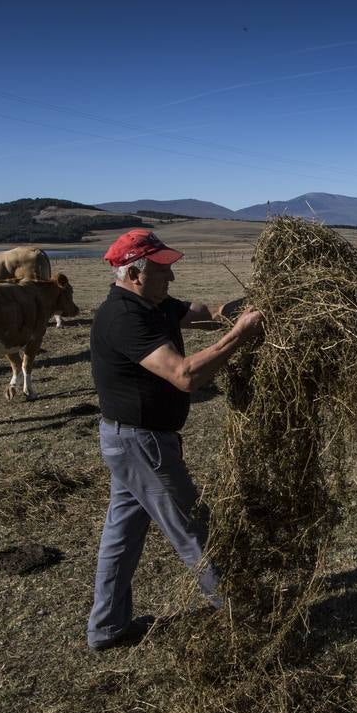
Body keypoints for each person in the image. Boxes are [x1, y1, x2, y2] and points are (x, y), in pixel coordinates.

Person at [86, 228, 263, 651]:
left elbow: (200, 310)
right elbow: (185, 376)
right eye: (163, 269)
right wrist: (239, 334)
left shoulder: (152, 303)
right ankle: (242, 615)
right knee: (195, 529)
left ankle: (107, 626)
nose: (172, 278)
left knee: (122, 535)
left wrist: (237, 310)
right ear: (133, 273)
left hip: (129, 443)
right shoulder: (125, 318)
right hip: (141, 445)